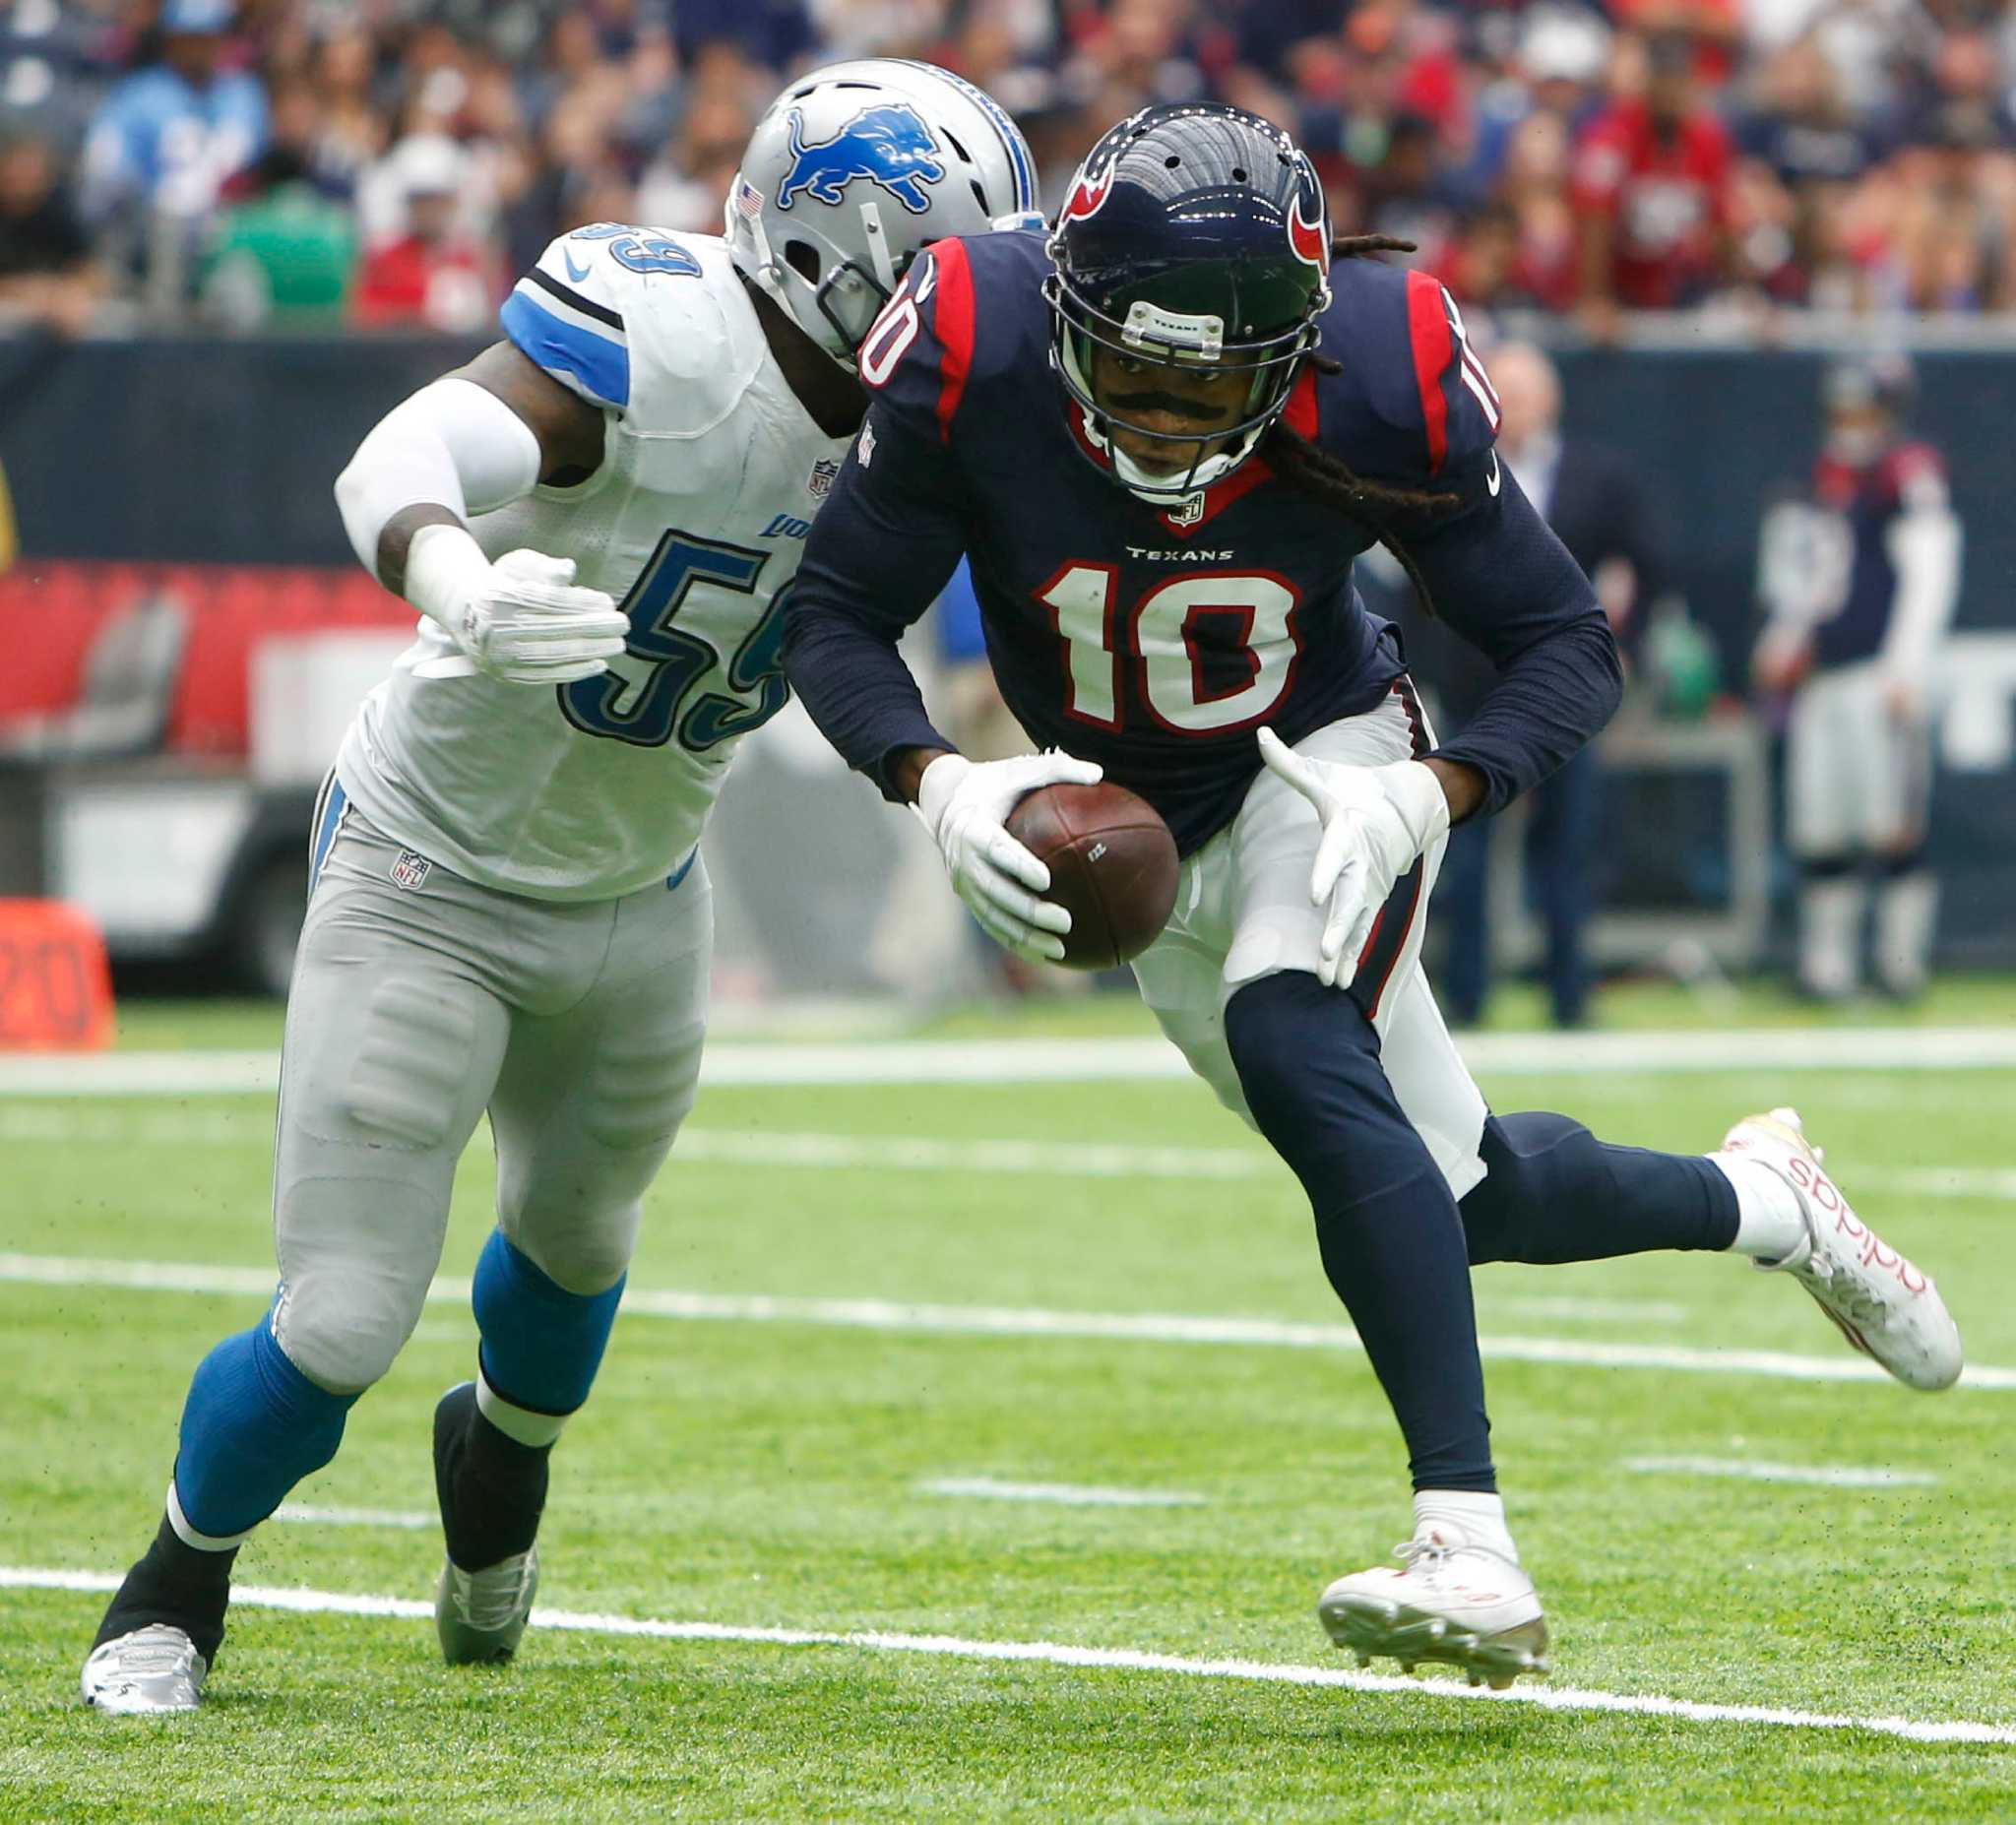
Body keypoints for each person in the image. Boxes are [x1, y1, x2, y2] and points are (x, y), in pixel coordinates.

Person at [783, 102, 1962, 1687]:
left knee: (1293, 1033)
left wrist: (1431, 787)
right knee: (1464, 1194)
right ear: (1063, 303)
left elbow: (1566, 643)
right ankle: (1772, 1205)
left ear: (1288, 358)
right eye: (1129, 370)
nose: (1158, 423)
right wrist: (944, 780)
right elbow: (837, 617)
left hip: (1318, 765)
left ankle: (1467, 1541)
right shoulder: (971, 342)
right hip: (1129, 811)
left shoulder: (1381, 373)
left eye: (1208, 388)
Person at [80, 57, 1040, 1717]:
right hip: (427, 868)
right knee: (341, 1319)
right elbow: (396, 452)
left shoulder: (922, 433)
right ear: (845, 252)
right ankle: (168, 1585)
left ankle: (498, 1468)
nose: (975, 311)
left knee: (577, 1256)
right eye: (948, 271)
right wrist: (456, 576)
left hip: (644, 882)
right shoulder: (660, 334)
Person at [1424, 340, 1670, 1028]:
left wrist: (1621, 650)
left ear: (1552, 399)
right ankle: (1467, 996)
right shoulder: (1458, 472)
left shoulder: (1599, 477)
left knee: (1567, 850)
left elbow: (1646, 569)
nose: (1517, 409)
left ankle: (1569, 995)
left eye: (1527, 393)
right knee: (1465, 853)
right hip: (1474, 690)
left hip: (1562, 695)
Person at [1752, 356, 1960, 1001]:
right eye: (1845, 411)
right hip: (1821, 679)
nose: (1853, 425)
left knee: (1891, 825)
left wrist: (1906, 666)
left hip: (1877, 674)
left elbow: (1929, 577)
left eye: (1865, 411)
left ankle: (1900, 968)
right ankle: (1828, 968)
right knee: (1822, 828)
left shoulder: (1906, 475)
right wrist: (1783, 641)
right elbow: (1807, 581)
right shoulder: (1819, 479)